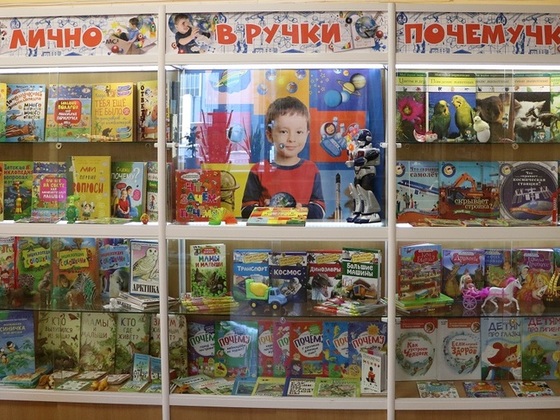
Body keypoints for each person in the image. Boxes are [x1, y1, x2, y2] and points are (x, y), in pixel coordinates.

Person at [241, 96, 325, 219]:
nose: (291, 139)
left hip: (301, 230)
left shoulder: (311, 169)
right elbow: (245, 210)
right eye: (283, 132)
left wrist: (301, 210)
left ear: (307, 134)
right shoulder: (258, 170)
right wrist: (265, 210)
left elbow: (320, 209)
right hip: (269, 230)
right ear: (269, 135)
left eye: (299, 132)